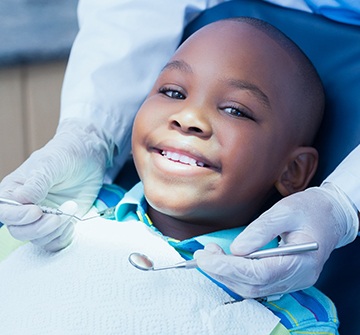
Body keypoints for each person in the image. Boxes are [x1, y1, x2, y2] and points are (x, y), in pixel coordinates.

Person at [0, 18, 339, 334]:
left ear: (292, 171)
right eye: (173, 93)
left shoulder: (296, 319)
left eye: (235, 110)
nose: (188, 116)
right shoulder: (54, 216)